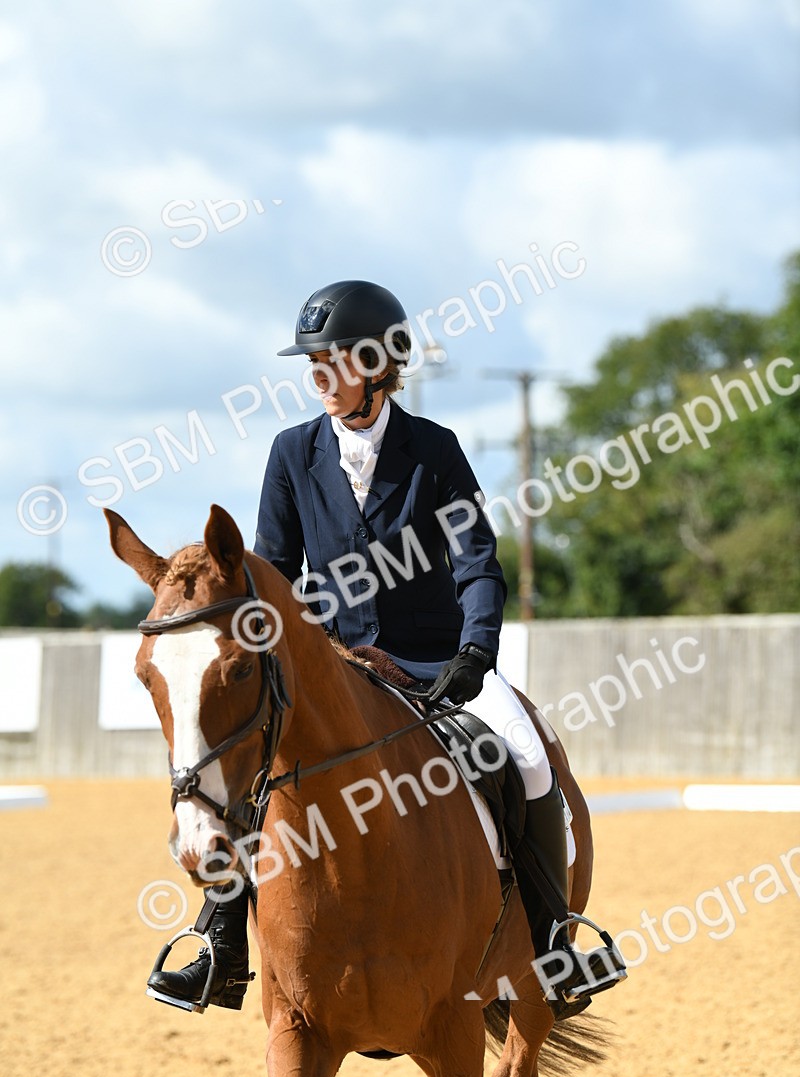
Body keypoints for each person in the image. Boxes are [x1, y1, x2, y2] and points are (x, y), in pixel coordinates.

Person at [148, 280, 625, 1016]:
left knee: (528, 756)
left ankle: (556, 941)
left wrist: (475, 652)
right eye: (314, 367)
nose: (320, 380)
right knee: (250, 776)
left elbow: (476, 561)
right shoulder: (291, 452)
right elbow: (272, 569)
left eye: (333, 363)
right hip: (333, 666)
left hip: (437, 661)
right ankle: (221, 943)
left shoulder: (434, 451)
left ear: (380, 365)